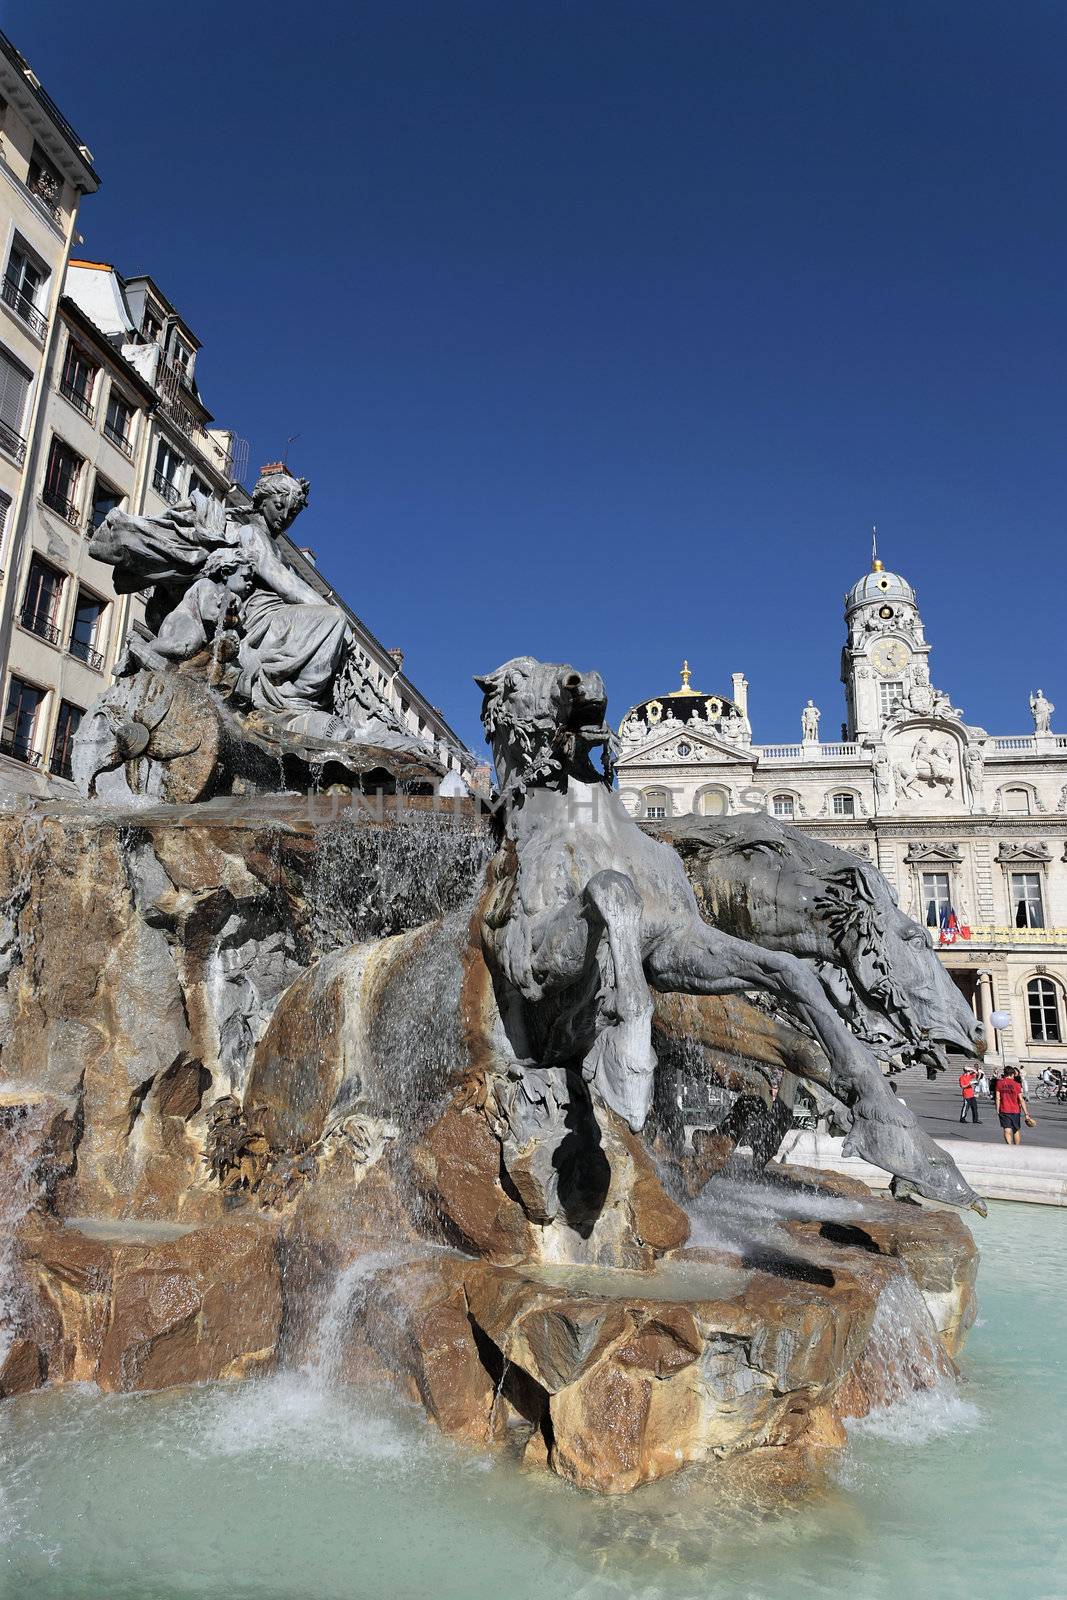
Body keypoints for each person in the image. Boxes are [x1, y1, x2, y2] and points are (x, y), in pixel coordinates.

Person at [995, 1067, 1036, 1146]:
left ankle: (1009, 1146)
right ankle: (1017, 1147)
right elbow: (1021, 1099)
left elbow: (997, 1098)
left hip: (1004, 1109)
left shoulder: (999, 1083)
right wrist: (1026, 1114)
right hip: (1015, 1110)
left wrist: (997, 1109)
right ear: (1012, 1074)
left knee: (1007, 1129)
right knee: (1016, 1129)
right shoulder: (1017, 1084)